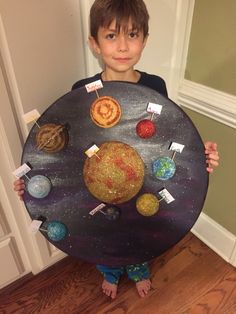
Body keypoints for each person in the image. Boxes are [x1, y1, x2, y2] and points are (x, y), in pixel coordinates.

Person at [14, 0, 220, 300]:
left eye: (133, 35)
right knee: (103, 232)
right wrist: (33, 184)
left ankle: (139, 270)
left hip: (142, 177)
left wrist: (199, 155)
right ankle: (109, 272)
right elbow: (68, 154)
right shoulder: (81, 89)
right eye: (111, 36)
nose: (123, 46)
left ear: (145, 40)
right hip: (97, 182)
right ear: (94, 43)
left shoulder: (155, 86)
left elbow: (167, 137)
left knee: (138, 229)